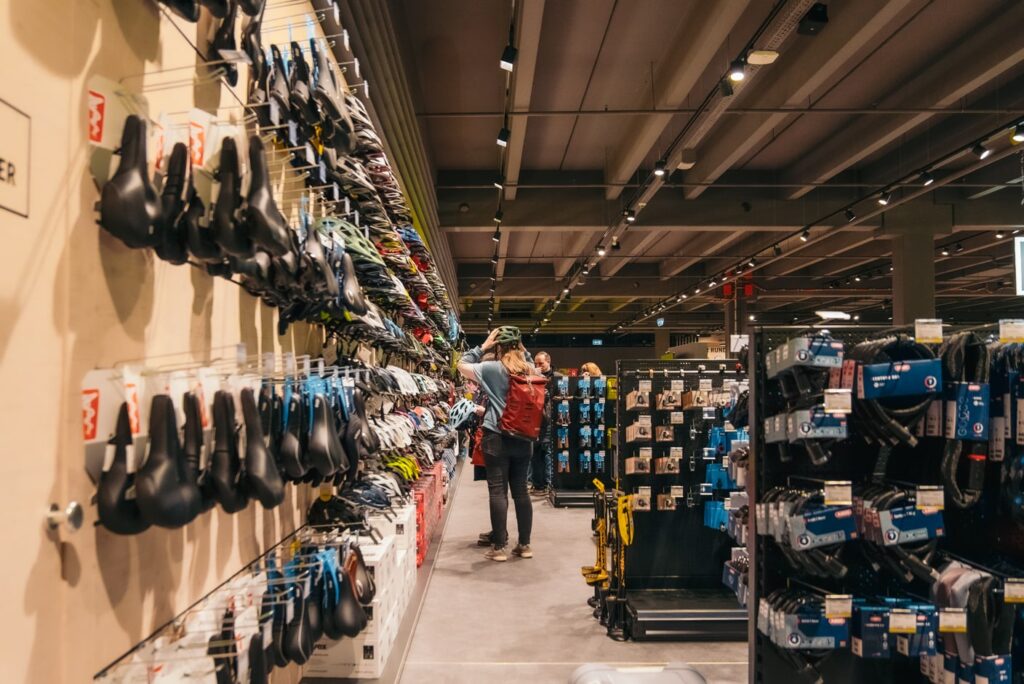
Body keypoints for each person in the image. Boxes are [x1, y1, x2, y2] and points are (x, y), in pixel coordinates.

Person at [457, 326, 535, 562]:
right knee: (521, 491)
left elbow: (461, 365)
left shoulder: (492, 369)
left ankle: (499, 547)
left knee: (498, 491)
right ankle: (524, 545)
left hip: (496, 437)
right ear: (519, 346)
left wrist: (483, 346)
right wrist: (524, 350)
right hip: (524, 437)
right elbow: (529, 360)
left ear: (498, 346)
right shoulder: (529, 370)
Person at [528, 351, 556, 495]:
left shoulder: (555, 379)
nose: (538, 366)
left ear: (548, 362)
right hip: (534, 420)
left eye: (541, 363)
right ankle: (538, 484)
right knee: (535, 454)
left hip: (548, 420)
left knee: (548, 452)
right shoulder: (532, 378)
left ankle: (549, 485)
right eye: (536, 363)